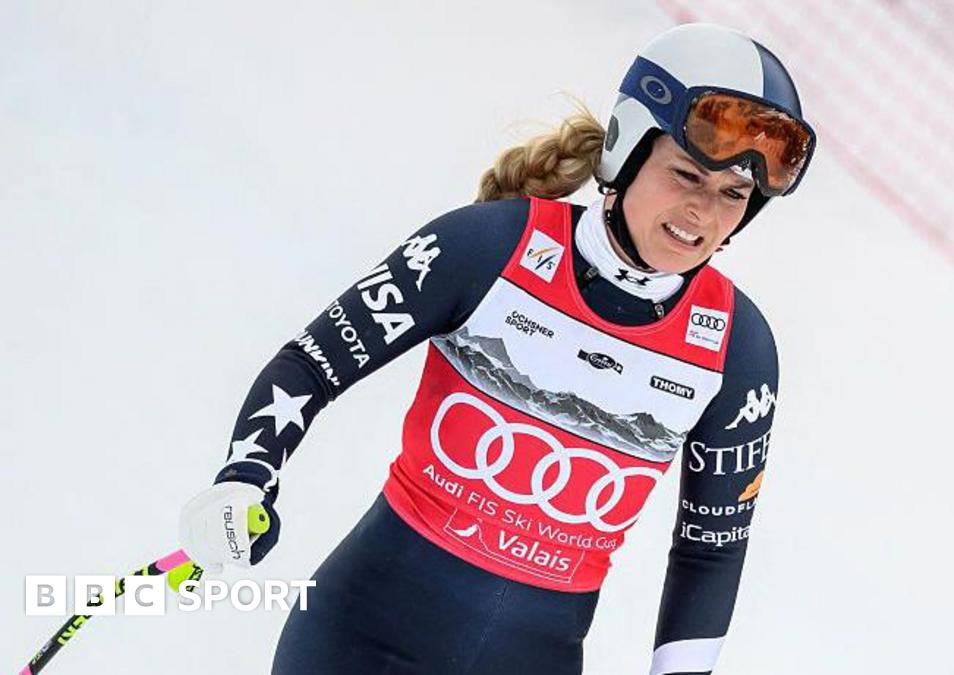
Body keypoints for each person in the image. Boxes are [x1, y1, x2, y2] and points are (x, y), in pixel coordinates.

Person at [178, 22, 814, 675]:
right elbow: (312, 365)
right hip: (357, 641)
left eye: (733, 195)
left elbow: (710, 550)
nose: (703, 212)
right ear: (626, 152)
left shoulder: (738, 349)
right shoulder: (486, 248)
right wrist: (245, 476)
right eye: (685, 174)